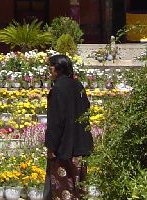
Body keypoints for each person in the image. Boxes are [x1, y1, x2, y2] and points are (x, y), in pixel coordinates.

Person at [44, 54, 94, 200]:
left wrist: (51, 147)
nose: (49, 70)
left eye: (51, 67)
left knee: (63, 190)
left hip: (64, 148)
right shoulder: (78, 86)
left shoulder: (58, 89)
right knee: (79, 189)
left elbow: (56, 122)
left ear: (59, 69)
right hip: (80, 145)